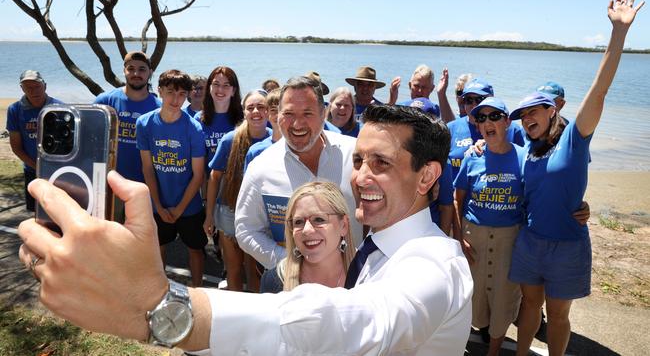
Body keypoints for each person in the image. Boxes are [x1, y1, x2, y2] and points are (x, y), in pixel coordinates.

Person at [18, 103, 472, 355]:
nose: (361, 177)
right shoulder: (372, 248)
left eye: (382, 164)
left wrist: (162, 306)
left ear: (428, 176)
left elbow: (362, 325)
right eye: (358, 160)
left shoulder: (435, 262)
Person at [508, 0, 644, 355]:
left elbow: (600, 89)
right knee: (528, 308)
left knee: (558, 314)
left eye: (533, 112)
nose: (526, 119)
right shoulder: (525, 142)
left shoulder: (574, 139)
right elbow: (487, 135)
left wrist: (618, 33)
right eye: (522, 115)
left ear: (553, 111)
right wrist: (476, 145)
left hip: (567, 246)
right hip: (530, 241)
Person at [235, 77, 362, 270]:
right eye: (289, 113)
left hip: (355, 278)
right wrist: (289, 265)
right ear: (277, 115)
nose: (297, 123)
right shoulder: (260, 168)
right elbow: (247, 230)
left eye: (307, 113)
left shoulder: (355, 155)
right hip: (291, 285)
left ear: (323, 113)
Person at [453, 97, 525, 355]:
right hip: (475, 239)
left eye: (494, 116)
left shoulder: (523, 157)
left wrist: (576, 205)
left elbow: (540, 192)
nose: (487, 122)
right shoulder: (473, 156)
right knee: (472, 299)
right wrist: (460, 236)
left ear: (507, 121)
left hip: (509, 240)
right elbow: (457, 198)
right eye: (481, 118)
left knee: (504, 299)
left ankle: (493, 352)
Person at [136, 69, 206, 287]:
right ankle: (159, 289)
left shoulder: (193, 128)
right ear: (159, 91)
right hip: (159, 204)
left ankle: (198, 291)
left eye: (182, 94)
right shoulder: (144, 124)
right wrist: (158, 204)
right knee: (158, 247)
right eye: (170, 93)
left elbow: (198, 175)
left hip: (189, 206)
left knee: (195, 249)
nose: (176, 100)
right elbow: (148, 168)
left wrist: (179, 208)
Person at [203, 90, 271, 292]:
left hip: (259, 214)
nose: (256, 111)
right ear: (244, 112)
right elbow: (214, 177)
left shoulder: (274, 140)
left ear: (269, 111)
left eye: (261, 107)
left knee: (254, 270)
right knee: (234, 270)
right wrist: (209, 216)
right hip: (228, 211)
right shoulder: (230, 140)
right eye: (251, 107)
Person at [94, 51, 161, 222]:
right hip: (111, 183)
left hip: (144, 186)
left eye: (142, 69)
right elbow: (90, 137)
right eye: (131, 69)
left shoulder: (158, 108)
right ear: (124, 71)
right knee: (109, 232)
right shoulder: (105, 101)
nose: (136, 74)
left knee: (141, 236)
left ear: (150, 73)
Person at [260, 181, 356, 293]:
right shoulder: (274, 282)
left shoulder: (368, 274)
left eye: (319, 219)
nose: (307, 230)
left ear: (343, 225)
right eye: (298, 222)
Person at [6, 70, 62, 212]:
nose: (33, 91)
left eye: (37, 86)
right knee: (36, 212)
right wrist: (36, 167)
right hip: (32, 170)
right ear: (22, 89)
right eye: (28, 87)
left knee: (58, 209)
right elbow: (16, 147)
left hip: (57, 169)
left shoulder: (60, 107)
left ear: (45, 86)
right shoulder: (15, 110)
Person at [194, 66, 243, 177]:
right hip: (208, 181)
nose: (220, 90)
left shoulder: (243, 119)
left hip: (236, 182)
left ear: (233, 90)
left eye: (226, 85)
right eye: (216, 84)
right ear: (209, 88)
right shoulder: (198, 119)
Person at [243, 88, 282, 170]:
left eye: (283, 110)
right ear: (267, 114)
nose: (278, 115)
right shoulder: (256, 151)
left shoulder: (300, 148)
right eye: (274, 110)